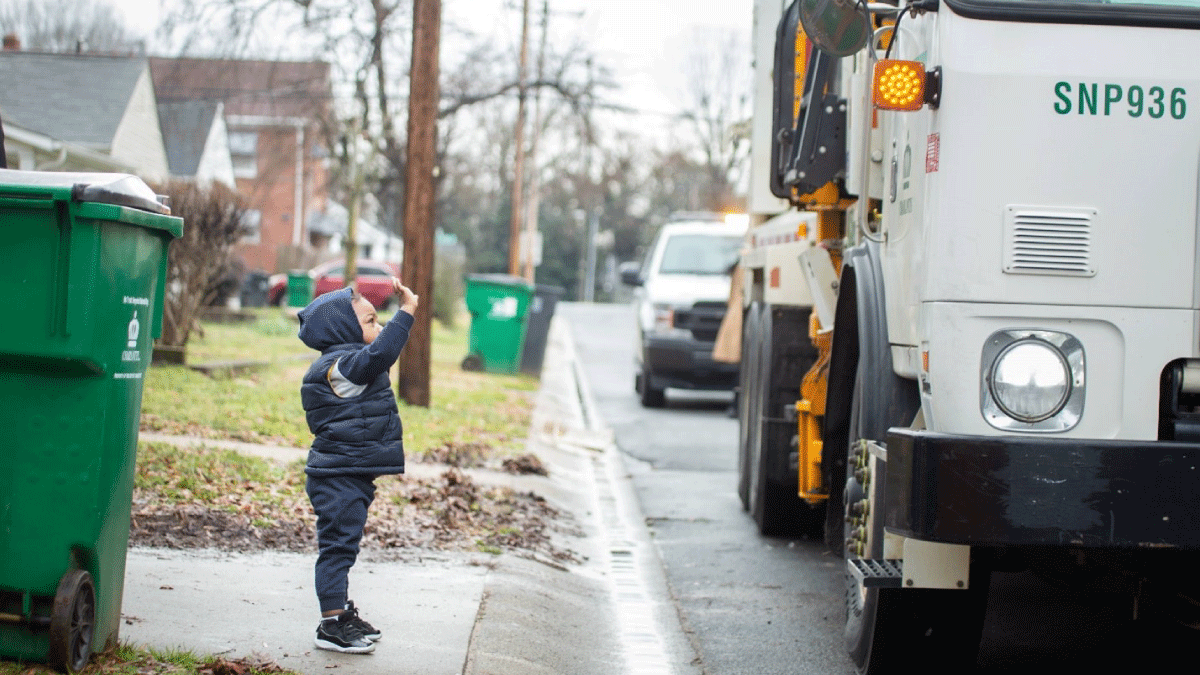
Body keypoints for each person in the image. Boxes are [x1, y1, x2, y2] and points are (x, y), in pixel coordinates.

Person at [296, 277, 418, 654]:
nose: (379, 328)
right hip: (337, 477)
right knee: (337, 549)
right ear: (343, 329)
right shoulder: (341, 369)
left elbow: (376, 354)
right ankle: (330, 624)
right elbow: (381, 354)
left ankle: (342, 613)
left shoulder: (345, 366)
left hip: (348, 474)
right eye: (370, 321)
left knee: (344, 546)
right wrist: (407, 312)